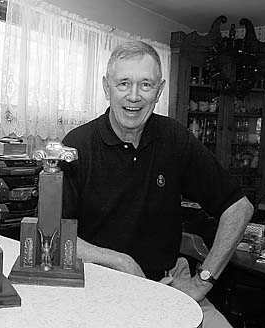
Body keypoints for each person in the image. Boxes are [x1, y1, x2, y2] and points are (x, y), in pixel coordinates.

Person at [60, 40, 254, 327]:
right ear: (106, 87)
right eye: (124, 83)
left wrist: (203, 280)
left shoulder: (175, 138)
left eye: (146, 85)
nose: (134, 96)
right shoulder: (76, 146)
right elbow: (53, 234)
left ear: (159, 91)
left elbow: (239, 208)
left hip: (169, 285)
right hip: (98, 286)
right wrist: (120, 262)